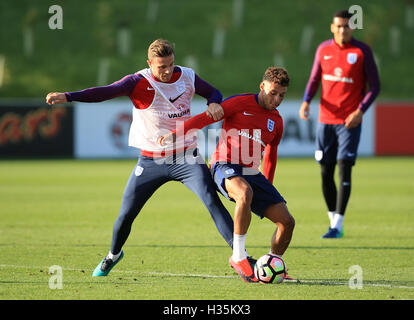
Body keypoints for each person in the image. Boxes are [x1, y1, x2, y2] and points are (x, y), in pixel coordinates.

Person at [46, 39, 236, 276]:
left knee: (211, 201)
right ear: (149, 64)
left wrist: (214, 103)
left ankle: (240, 256)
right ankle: (113, 255)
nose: (167, 71)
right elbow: (104, 92)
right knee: (126, 213)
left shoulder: (187, 76)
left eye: (170, 64)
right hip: (150, 161)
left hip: (187, 157)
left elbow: (213, 92)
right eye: (161, 67)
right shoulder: (138, 81)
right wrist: (68, 96)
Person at [159, 67, 295, 283]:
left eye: (282, 95)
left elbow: (271, 155)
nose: (277, 99)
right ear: (262, 86)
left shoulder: (276, 121)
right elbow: (204, 119)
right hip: (224, 165)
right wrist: (176, 133)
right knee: (244, 193)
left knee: (287, 221)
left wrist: (268, 187)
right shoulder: (239, 103)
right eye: (273, 93)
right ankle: (238, 256)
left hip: (251, 171)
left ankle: (273, 263)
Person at [299, 10, 380, 238]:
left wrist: (360, 111)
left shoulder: (361, 51)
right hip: (326, 120)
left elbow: (375, 87)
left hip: (349, 122)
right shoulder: (323, 50)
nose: (343, 30)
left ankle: (338, 225)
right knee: (326, 171)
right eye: (339, 26)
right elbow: (314, 79)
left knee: (345, 167)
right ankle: (333, 219)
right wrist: (306, 102)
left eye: (347, 26)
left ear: (352, 28)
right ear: (332, 28)